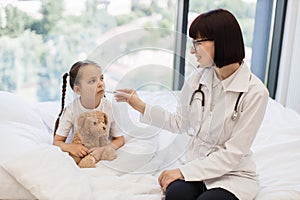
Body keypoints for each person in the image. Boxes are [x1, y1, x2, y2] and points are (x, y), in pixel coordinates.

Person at [114, 9, 269, 200]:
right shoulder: (197, 80)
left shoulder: (255, 92)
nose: (192, 50)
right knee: (176, 196)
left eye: (197, 43)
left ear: (220, 42)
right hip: (196, 165)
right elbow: (179, 122)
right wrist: (140, 105)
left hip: (232, 175)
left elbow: (233, 154)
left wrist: (182, 172)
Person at [53, 60, 125, 163]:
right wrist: (71, 147)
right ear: (78, 90)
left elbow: (120, 139)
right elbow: (57, 142)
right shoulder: (71, 110)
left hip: (101, 154)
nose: (100, 84)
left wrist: (103, 150)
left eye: (101, 78)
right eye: (92, 81)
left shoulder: (109, 107)